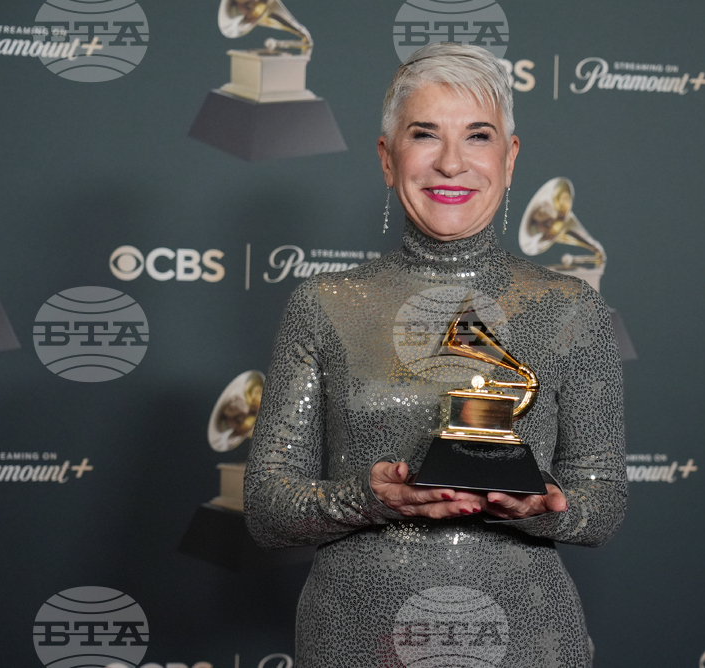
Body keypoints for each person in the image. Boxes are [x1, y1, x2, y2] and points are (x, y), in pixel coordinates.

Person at [245, 42, 626, 668]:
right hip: (353, 642)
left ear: (510, 158)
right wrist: (367, 499)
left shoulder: (571, 307)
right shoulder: (323, 304)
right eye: (425, 134)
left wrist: (539, 508)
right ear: (387, 158)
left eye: (478, 136)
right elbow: (266, 510)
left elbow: (602, 504)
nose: (451, 162)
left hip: (527, 639)